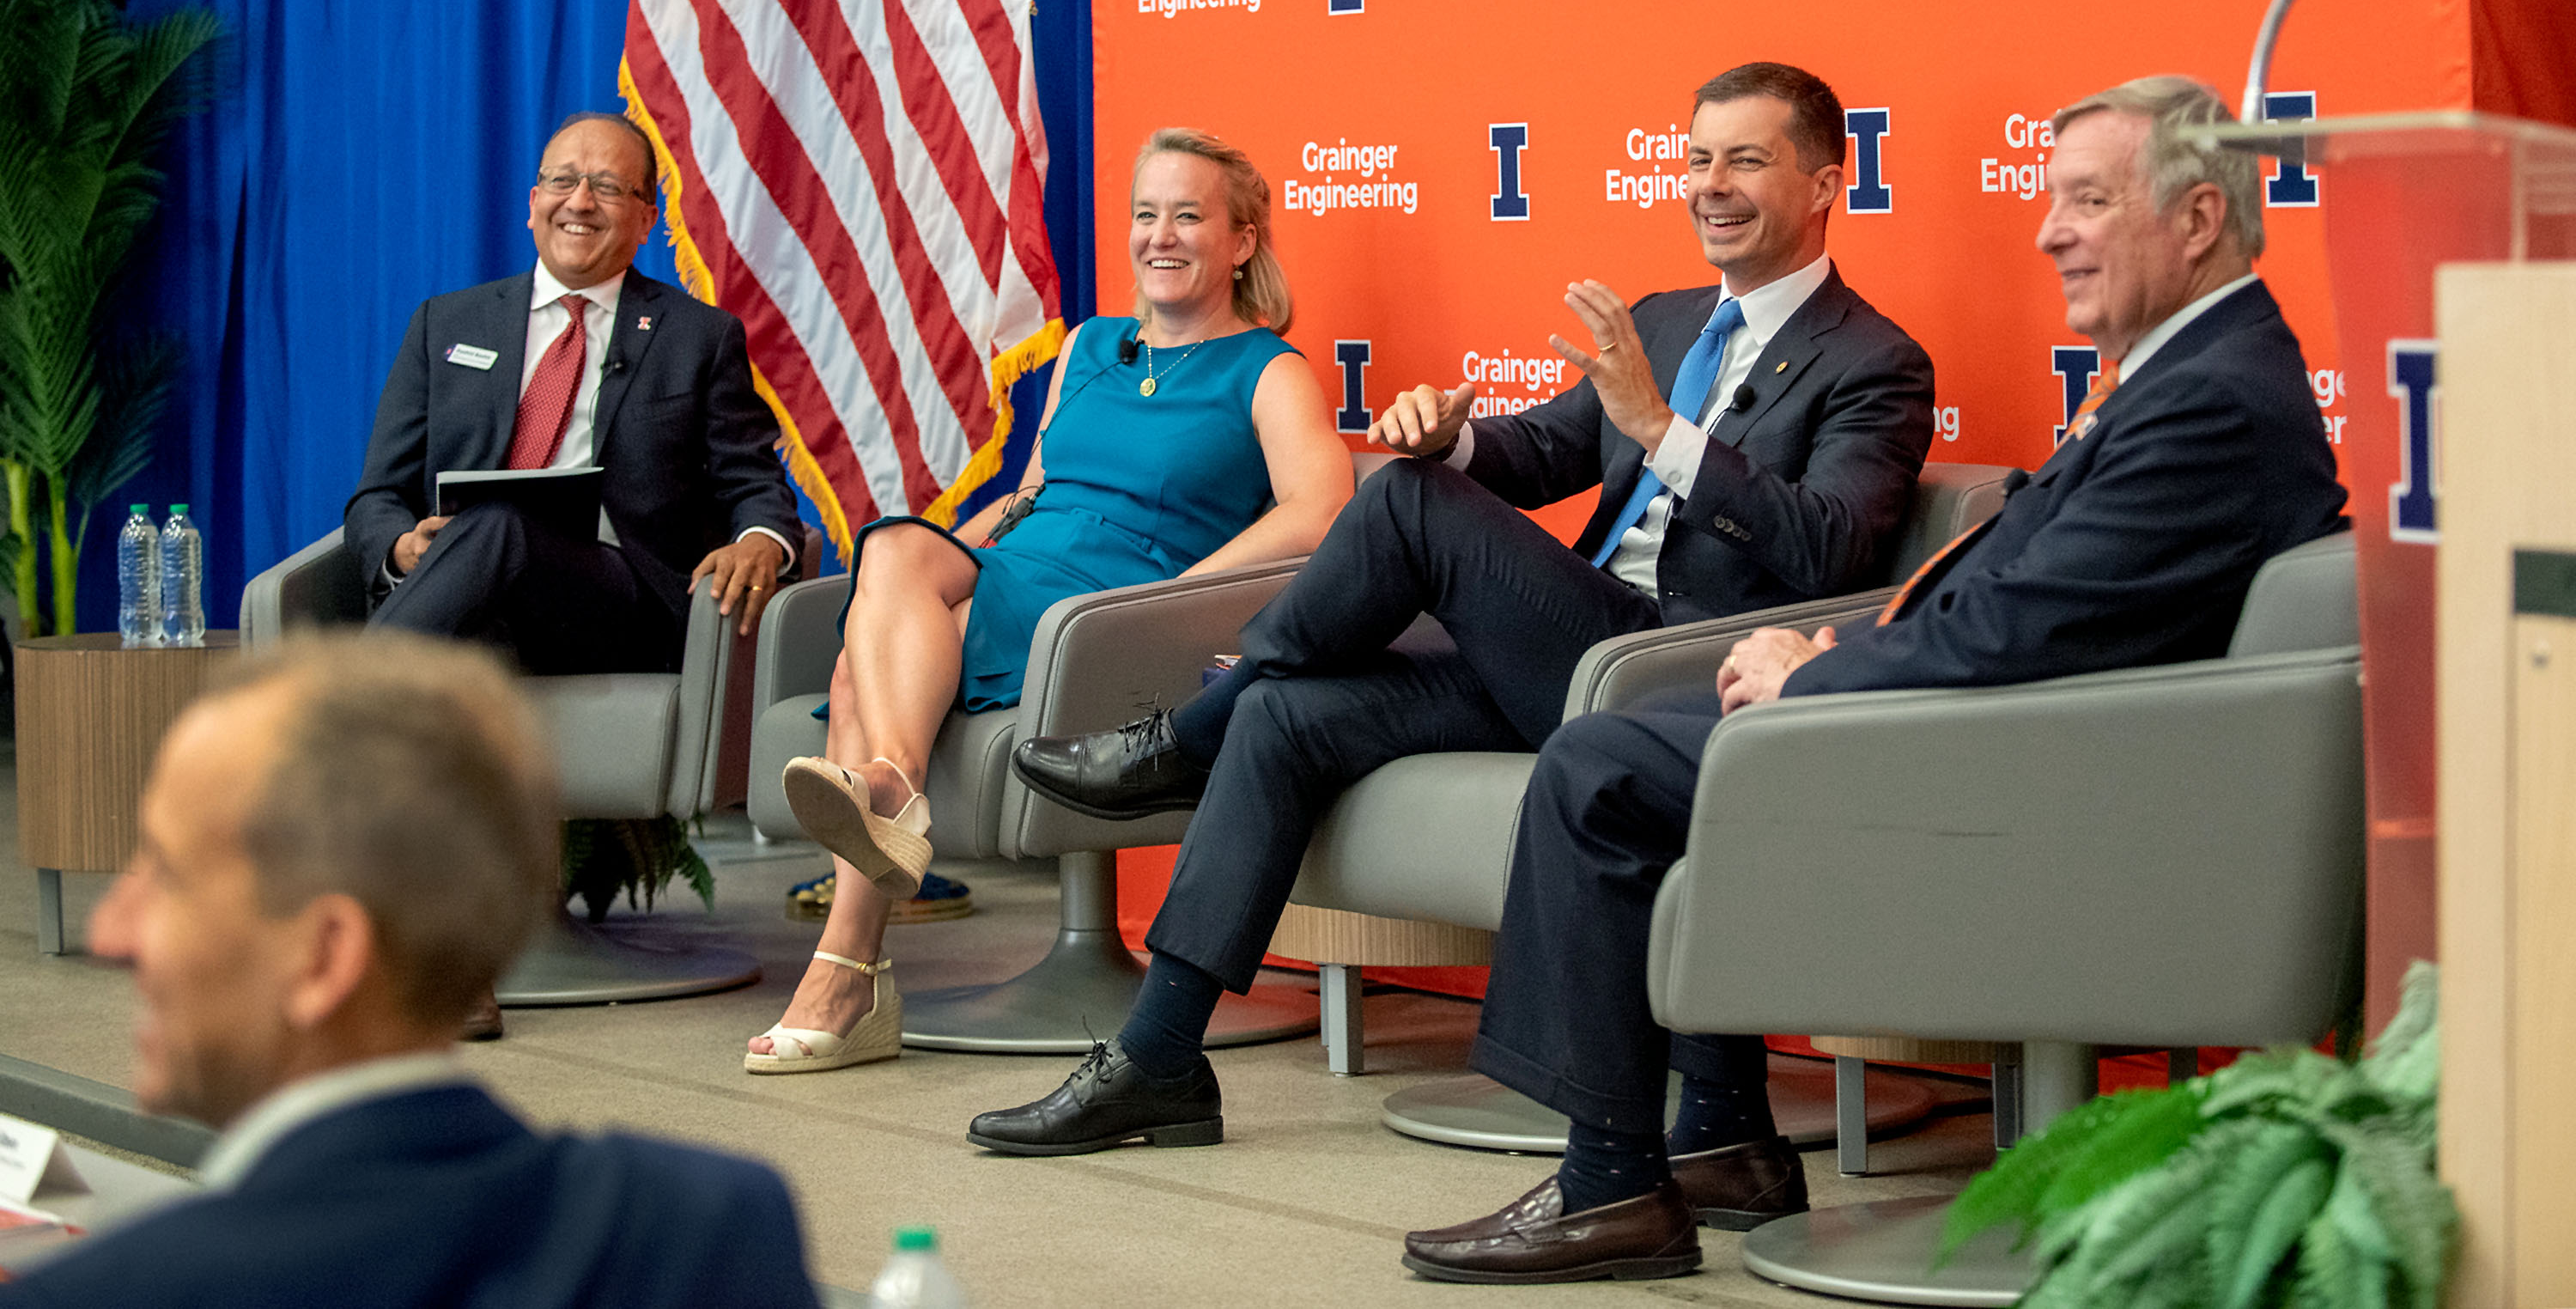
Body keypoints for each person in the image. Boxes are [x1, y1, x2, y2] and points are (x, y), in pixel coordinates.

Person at [1400, 75, 2349, 1285]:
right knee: (1632, 725)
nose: (2049, 231)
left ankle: (1611, 1186)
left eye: (2087, 201)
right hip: (2016, 743)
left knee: (1599, 765)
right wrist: (1834, 658)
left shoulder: (2207, 399)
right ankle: (1704, 1141)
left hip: (2049, 794)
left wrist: (1818, 675)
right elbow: (2037, 605)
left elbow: (2024, 628)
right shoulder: (2201, 372)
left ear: (2200, 218)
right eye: (2053, 199)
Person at [974, 61, 1936, 1158]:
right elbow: (1547, 450)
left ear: (1826, 182)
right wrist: (1454, 437)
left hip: (1676, 670)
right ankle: (1159, 1059)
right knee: (1292, 703)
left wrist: (1662, 431)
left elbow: (1829, 544)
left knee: (1406, 504)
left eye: (1746, 160)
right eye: (1698, 158)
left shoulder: (1876, 360)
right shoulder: (1667, 320)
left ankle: (1190, 732)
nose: (1711, 184)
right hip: (1561, 653)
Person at [747, 129, 1351, 1074]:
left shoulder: (1268, 370)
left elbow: (1321, 511)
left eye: (1188, 216)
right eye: (1145, 214)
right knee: (893, 562)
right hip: (1027, 568)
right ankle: (884, 814)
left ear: (1241, 241)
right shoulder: (1090, 346)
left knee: (860, 668)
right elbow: (1034, 489)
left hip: (1114, 606)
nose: (1160, 235)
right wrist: (935, 562)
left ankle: (849, 965)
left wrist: (1179, 592)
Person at [0, 634, 823, 1309]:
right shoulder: (718, 1231)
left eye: (166, 876)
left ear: (323, 956)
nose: (109, 930)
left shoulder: (107, 1294)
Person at [345, 110, 800, 677]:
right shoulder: (446, 324)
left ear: (646, 219)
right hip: (464, 591)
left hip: (612, 604)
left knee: (500, 524)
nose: (580, 202)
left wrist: (761, 540)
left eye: (607, 187)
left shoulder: (698, 338)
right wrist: (399, 547)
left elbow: (754, 482)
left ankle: (342, 695)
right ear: (533, 202)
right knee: (481, 563)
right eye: (562, 181)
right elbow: (378, 494)